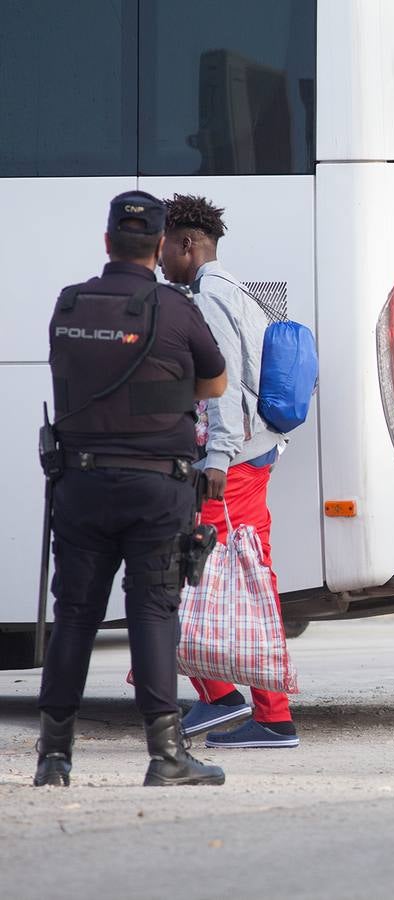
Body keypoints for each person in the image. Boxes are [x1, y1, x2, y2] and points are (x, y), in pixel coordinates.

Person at [35, 191, 229, 787]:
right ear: (160, 245)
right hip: (156, 489)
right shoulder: (173, 309)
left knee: (73, 617)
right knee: (151, 612)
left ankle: (54, 758)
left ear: (107, 242)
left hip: (81, 482)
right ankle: (165, 756)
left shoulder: (69, 304)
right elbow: (216, 385)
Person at [160, 194, 297, 749]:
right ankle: (237, 702)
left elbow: (224, 384)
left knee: (196, 569)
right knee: (230, 572)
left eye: (165, 247)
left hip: (232, 462)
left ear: (188, 245)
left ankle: (255, 710)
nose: (160, 259)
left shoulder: (210, 298)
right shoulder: (230, 289)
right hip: (251, 455)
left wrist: (215, 457)